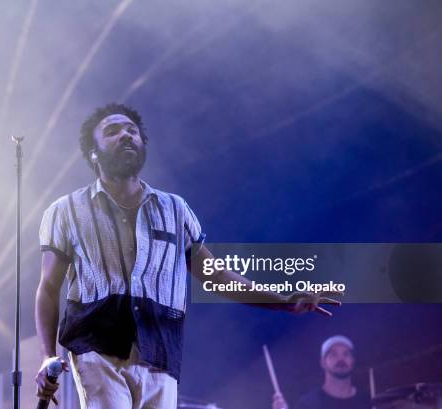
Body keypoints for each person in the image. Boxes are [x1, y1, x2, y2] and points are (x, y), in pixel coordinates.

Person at [35, 102, 341, 409]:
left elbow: (218, 276)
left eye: (132, 130)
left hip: (159, 351)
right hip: (95, 346)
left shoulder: (175, 210)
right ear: (93, 152)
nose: (126, 136)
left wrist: (286, 302)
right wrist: (48, 354)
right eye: (112, 131)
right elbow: (48, 288)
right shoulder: (66, 211)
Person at [272, 335, 371, 409]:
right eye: (333, 354)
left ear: (353, 361)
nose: (341, 359)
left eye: (346, 354)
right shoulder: (307, 404)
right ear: (322, 362)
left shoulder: (368, 401)